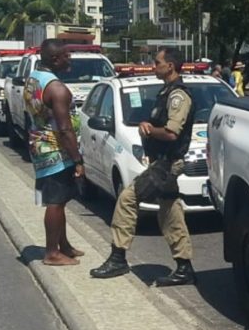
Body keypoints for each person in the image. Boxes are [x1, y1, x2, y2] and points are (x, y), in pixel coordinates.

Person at [90, 47, 197, 286]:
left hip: (167, 164)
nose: (153, 66)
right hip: (162, 162)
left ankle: (118, 257)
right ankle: (184, 266)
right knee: (170, 212)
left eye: (157, 62)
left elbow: (171, 133)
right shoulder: (166, 92)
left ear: (170, 66)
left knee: (128, 199)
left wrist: (149, 129)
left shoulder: (178, 95)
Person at [24, 38, 86, 266]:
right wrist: (78, 160)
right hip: (56, 151)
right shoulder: (57, 89)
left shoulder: (35, 78)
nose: (69, 59)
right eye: (66, 55)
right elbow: (65, 128)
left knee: (60, 200)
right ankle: (52, 253)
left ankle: (64, 245)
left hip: (39, 145)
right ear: (54, 58)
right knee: (56, 202)